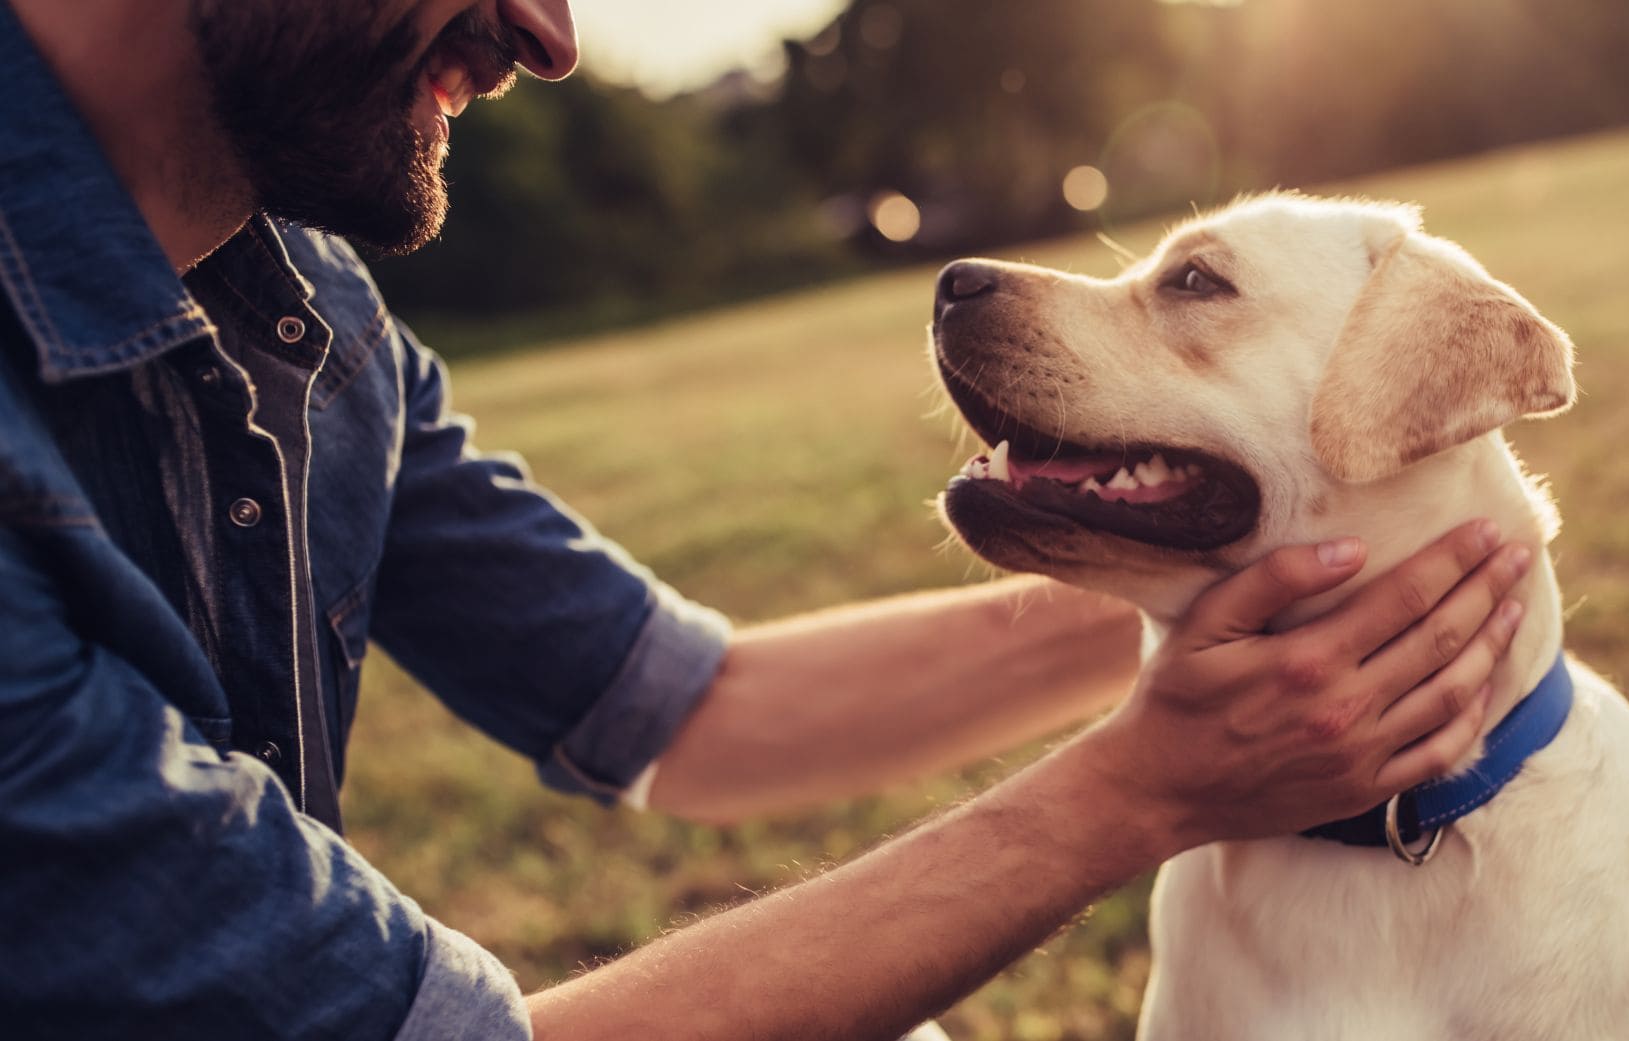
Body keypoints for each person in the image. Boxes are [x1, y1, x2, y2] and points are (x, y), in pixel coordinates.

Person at [0, 1, 1535, 1039]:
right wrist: (1132, 793)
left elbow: (697, 708)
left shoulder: (306, 318)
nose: (546, 33)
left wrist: (1269, 577)